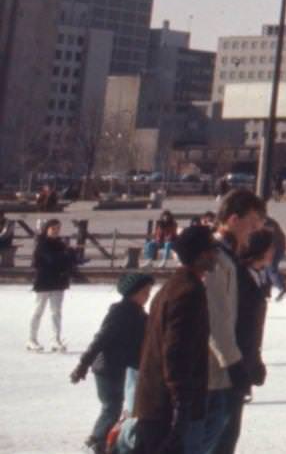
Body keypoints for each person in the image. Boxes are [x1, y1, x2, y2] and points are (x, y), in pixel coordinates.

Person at [192, 188, 269, 454]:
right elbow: (217, 318)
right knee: (212, 440)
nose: (255, 230)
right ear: (234, 219)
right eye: (253, 222)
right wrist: (234, 364)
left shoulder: (229, 258)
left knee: (222, 437)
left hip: (224, 366)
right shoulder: (215, 259)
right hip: (213, 370)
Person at [132, 225, 217, 454]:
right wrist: (181, 406)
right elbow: (175, 351)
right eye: (212, 250)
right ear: (200, 255)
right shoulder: (189, 292)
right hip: (167, 407)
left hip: (156, 403)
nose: (216, 255)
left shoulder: (174, 286)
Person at [72, 270, 153, 452]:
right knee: (111, 407)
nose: (148, 296)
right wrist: (83, 364)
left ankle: (107, 442)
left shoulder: (138, 313)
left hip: (122, 366)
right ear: (133, 293)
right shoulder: (120, 312)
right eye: (144, 292)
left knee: (118, 406)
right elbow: (101, 338)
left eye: (149, 292)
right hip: (107, 367)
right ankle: (95, 442)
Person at [29, 216, 75, 352]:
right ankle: (32, 339)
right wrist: (66, 256)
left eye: (58, 229)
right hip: (43, 282)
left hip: (58, 282)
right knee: (38, 311)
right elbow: (51, 260)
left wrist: (69, 257)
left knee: (56, 312)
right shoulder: (41, 244)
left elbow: (69, 261)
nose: (56, 231)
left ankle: (56, 339)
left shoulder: (60, 244)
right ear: (46, 229)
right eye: (53, 228)